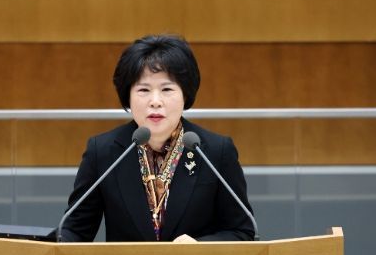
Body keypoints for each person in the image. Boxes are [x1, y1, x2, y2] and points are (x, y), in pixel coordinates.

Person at [60, 34, 255, 242]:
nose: (155, 101)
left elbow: (242, 232)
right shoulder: (103, 151)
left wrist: (200, 247)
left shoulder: (215, 151)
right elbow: (75, 231)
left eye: (167, 89)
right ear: (128, 96)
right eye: (143, 89)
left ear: (185, 94)